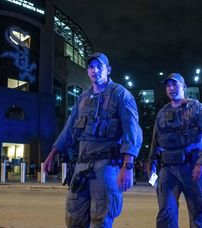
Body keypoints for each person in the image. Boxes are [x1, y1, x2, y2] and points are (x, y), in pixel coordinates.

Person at [43, 52, 142, 227]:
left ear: (108, 70)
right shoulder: (82, 98)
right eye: (90, 67)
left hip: (107, 166)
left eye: (99, 66)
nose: (94, 70)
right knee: (74, 218)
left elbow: (132, 132)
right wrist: (51, 154)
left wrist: (128, 166)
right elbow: (68, 130)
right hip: (81, 166)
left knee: (101, 219)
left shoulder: (121, 95)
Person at [149, 73, 202, 228]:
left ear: (184, 86)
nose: (171, 88)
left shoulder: (198, 109)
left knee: (198, 215)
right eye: (168, 85)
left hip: (193, 168)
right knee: (165, 214)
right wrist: (152, 164)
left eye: (175, 84)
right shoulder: (162, 113)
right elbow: (155, 141)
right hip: (168, 169)